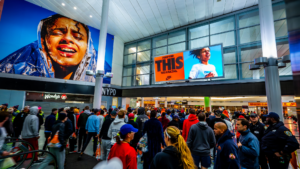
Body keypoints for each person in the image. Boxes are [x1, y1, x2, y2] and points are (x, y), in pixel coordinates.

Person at [0, 14, 97, 82]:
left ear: (88, 48)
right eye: (57, 33)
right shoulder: (13, 69)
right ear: (43, 40)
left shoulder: (97, 79)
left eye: (78, 37)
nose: (67, 39)